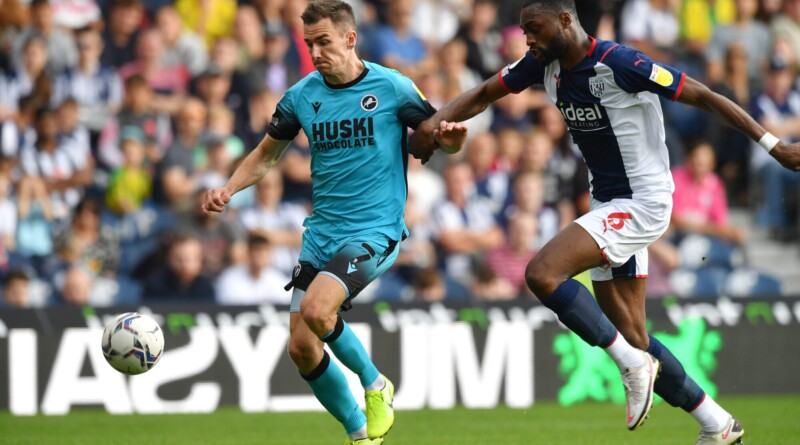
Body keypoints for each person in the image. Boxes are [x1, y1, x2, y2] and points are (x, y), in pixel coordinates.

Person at [409, 1, 800, 444]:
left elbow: (705, 96)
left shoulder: (621, 63)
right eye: (523, 30)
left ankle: (631, 365)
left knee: (542, 274)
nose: (527, 39)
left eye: (534, 28)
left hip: (642, 203)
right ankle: (717, 424)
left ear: (565, 20)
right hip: (607, 206)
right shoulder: (542, 64)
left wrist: (774, 146)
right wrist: (433, 124)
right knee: (634, 334)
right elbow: (483, 93)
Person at [201, 2, 467, 444]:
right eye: (309, 44)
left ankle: (376, 384)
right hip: (321, 235)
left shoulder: (392, 87)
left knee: (317, 309)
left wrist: (455, 143)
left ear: (350, 38)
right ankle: (361, 436)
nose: (315, 52)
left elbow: (437, 138)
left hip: (374, 231)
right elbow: (267, 154)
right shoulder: (301, 96)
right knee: (302, 347)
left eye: (323, 42)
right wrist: (228, 189)